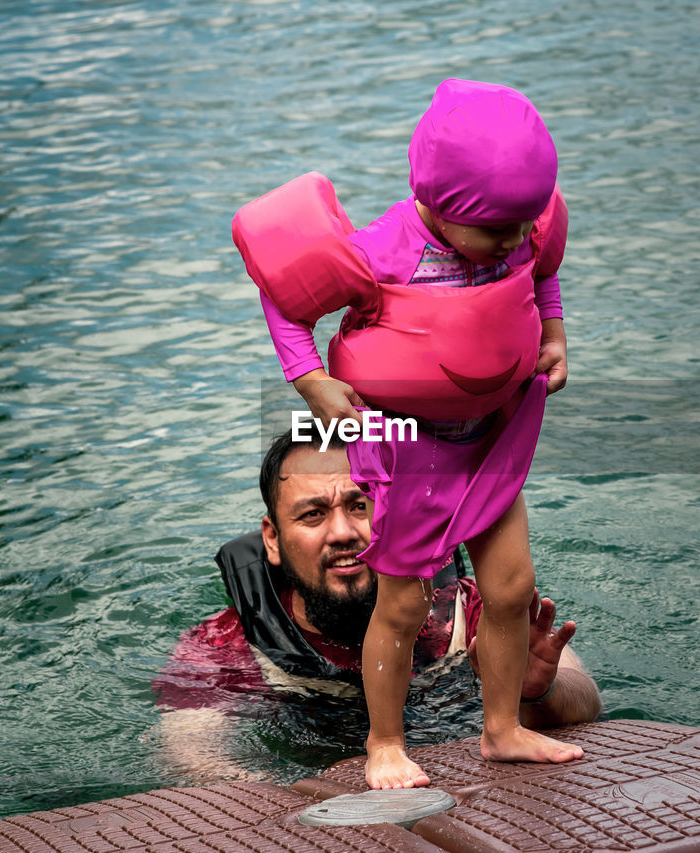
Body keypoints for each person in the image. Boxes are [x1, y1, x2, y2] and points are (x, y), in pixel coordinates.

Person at [234, 79, 578, 788]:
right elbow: (284, 296)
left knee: (512, 586)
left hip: (490, 439)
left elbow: (545, 270)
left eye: (521, 225)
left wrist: (553, 331)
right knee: (406, 601)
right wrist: (307, 377)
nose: (513, 241)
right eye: (496, 233)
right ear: (441, 206)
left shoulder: (518, 226)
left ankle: (503, 726)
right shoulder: (384, 250)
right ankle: (385, 742)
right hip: (409, 448)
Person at [152, 431, 602, 782]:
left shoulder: (470, 608)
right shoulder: (226, 644)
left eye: (361, 503)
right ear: (272, 537)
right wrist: (294, 807)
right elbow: (191, 756)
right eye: (313, 514)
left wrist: (538, 693)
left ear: (395, 509)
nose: (343, 532)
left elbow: (586, 701)